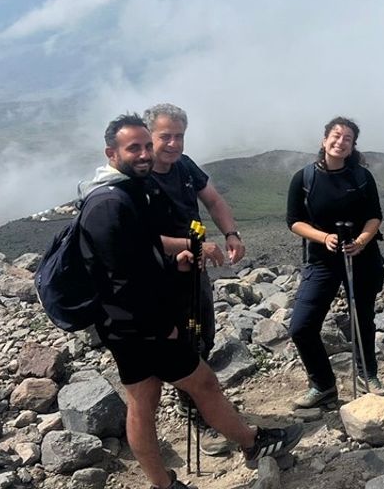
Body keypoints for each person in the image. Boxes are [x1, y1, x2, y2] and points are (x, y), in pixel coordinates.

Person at [79, 115, 300, 489]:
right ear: (111, 152)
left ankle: (163, 484)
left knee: (142, 400)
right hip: (141, 324)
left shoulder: (126, 190)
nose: (146, 153)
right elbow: (122, 279)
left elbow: (139, 254)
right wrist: (162, 324)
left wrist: (173, 261)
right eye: (136, 147)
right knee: (203, 382)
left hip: (125, 325)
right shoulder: (109, 204)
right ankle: (253, 443)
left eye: (147, 145)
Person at [143, 103, 246, 453]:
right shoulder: (138, 180)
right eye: (165, 136)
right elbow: (140, 238)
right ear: (149, 137)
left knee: (203, 335)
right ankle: (196, 413)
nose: (173, 144)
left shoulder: (184, 167)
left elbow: (214, 201)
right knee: (179, 345)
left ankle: (203, 402)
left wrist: (231, 234)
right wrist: (193, 244)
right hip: (159, 278)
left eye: (179, 136)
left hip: (195, 271)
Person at [286, 117, 384, 408]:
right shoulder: (304, 178)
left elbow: (375, 215)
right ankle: (323, 384)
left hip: (362, 256)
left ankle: (368, 375)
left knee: (363, 319)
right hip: (321, 259)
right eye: (336, 136)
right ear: (324, 140)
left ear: (353, 146)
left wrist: (363, 241)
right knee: (302, 327)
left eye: (347, 139)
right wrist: (324, 237)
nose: (340, 142)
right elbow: (294, 221)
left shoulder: (362, 177)